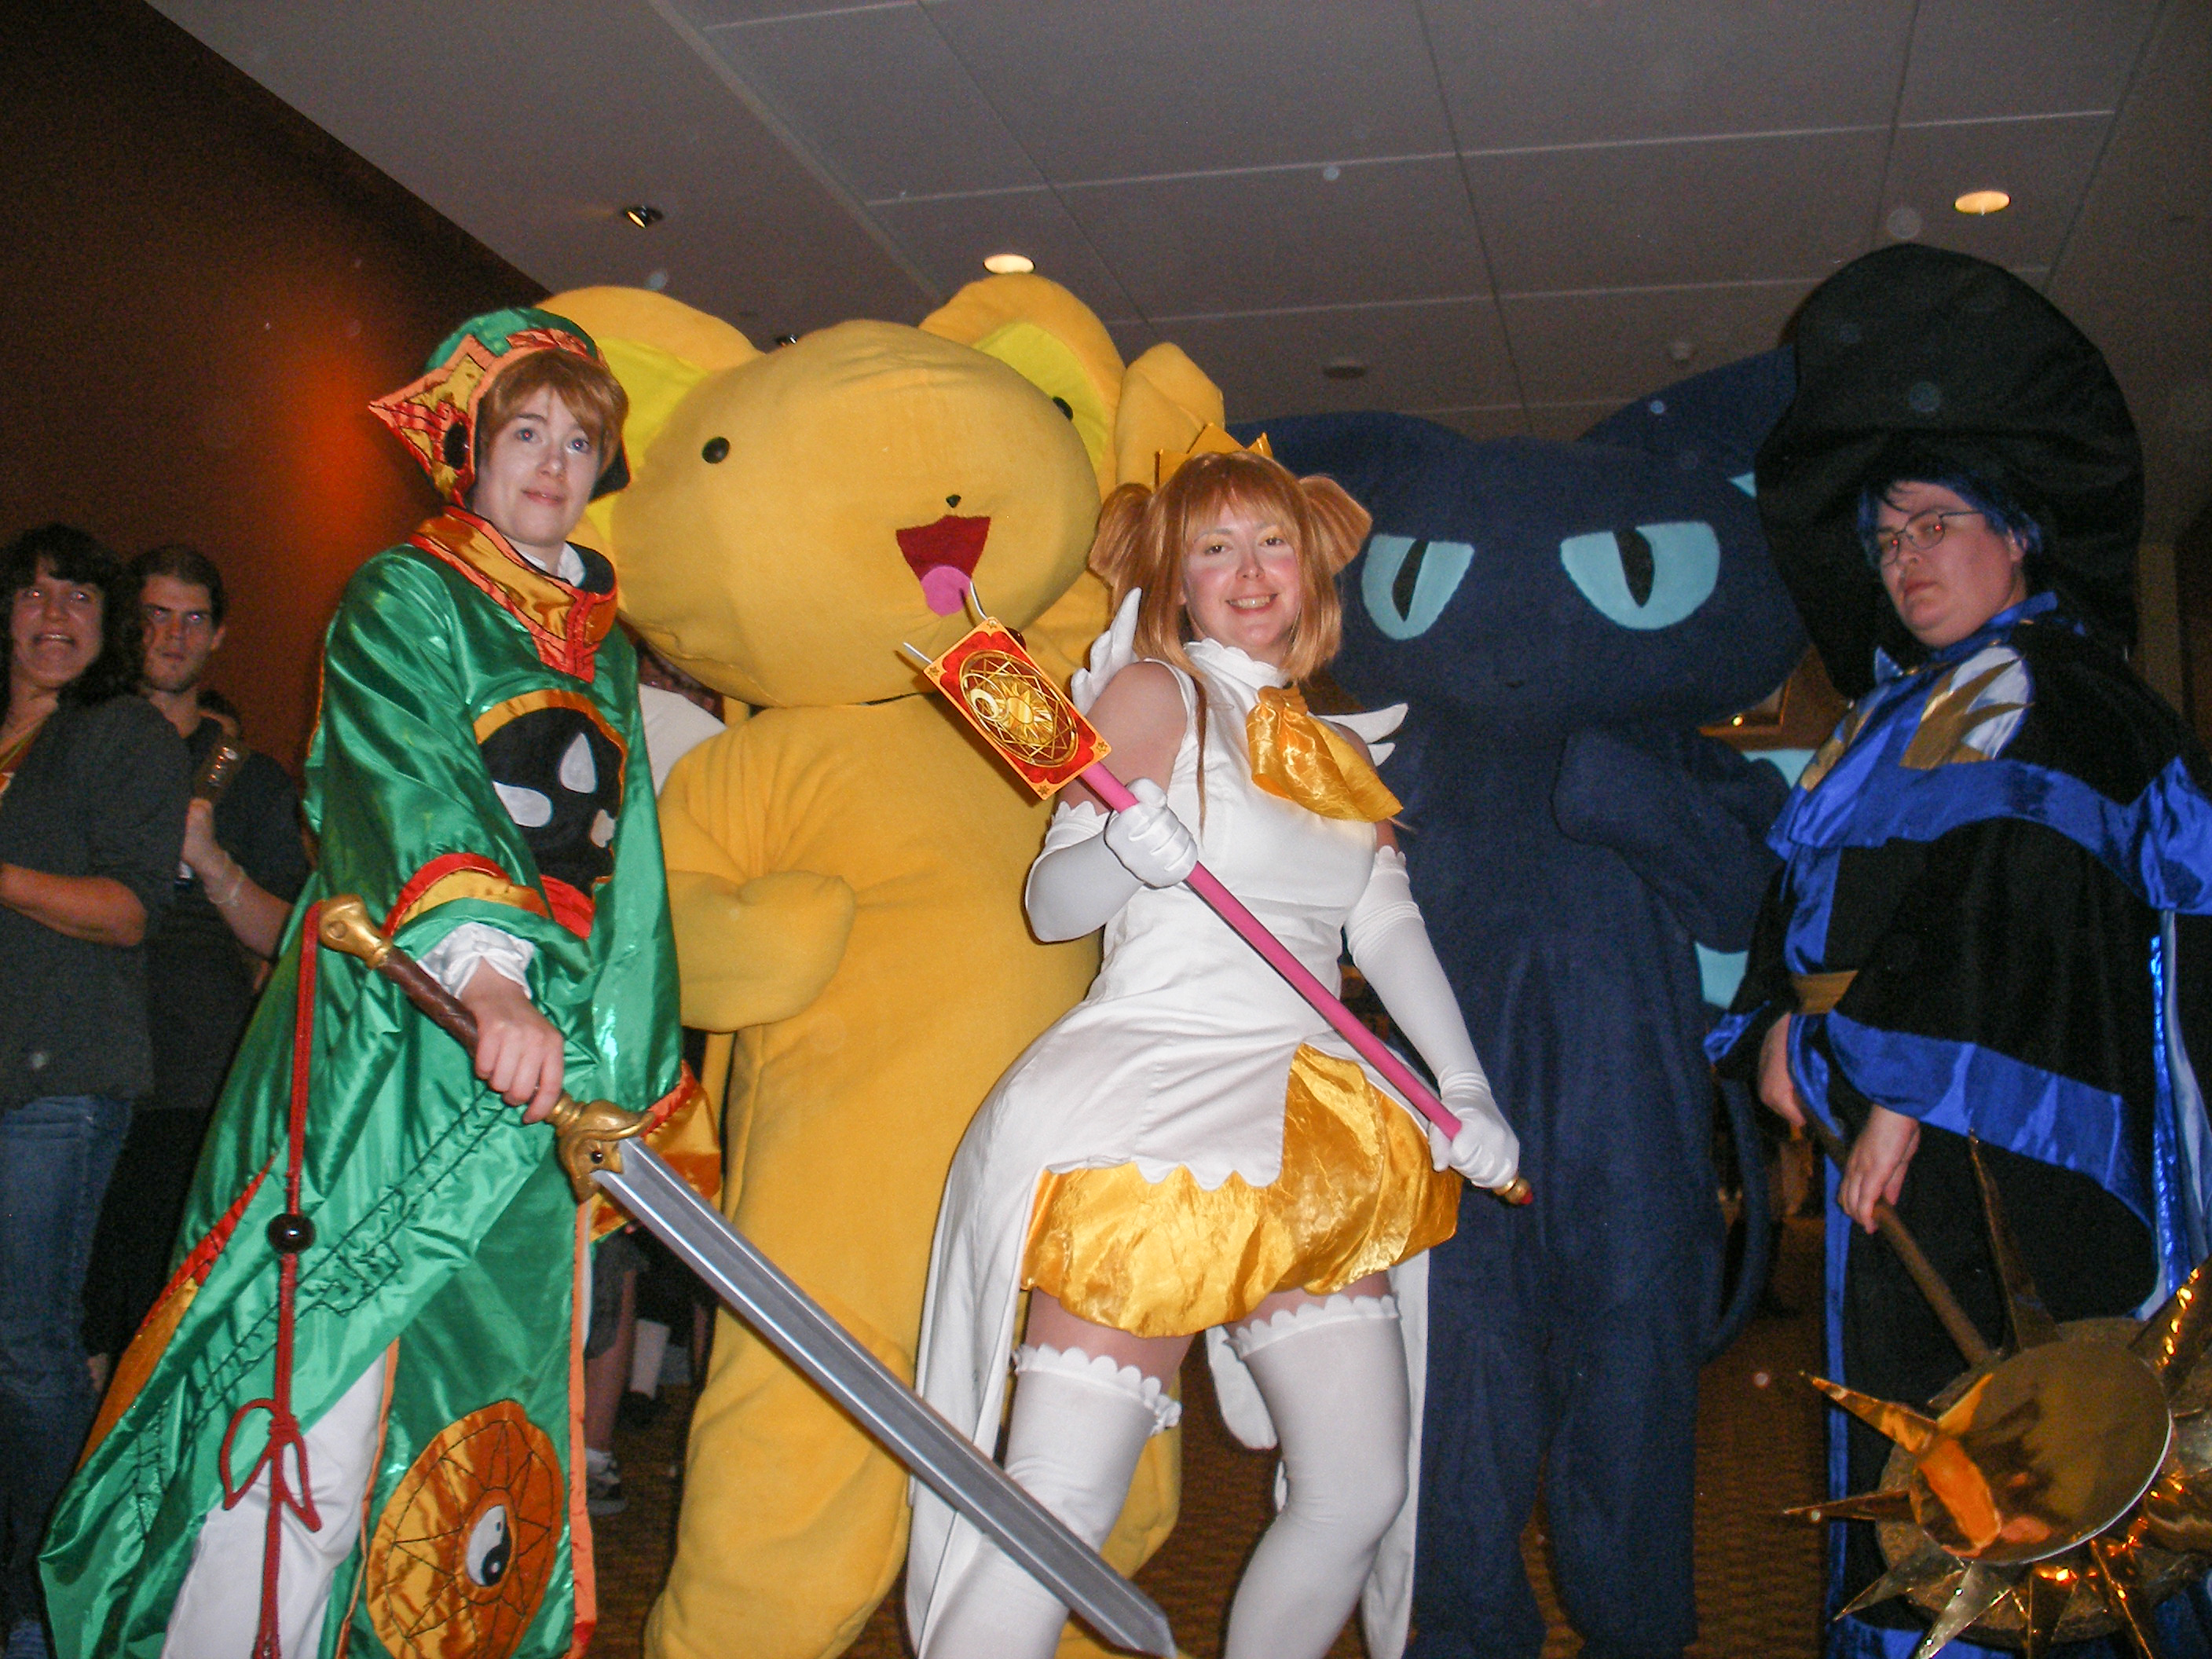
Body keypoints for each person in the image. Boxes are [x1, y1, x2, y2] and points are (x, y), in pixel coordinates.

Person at [42, 309, 715, 1659]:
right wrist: (490, 977)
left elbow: (630, 873)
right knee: (310, 1412)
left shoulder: (605, 642)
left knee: (473, 1406)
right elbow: (406, 784)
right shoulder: (407, 596)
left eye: (580, 441)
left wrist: (635, 1081)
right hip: (395, 1037)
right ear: (471, 451)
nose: (553, 463)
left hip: (528, 1075)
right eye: (526, 433)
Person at [906, 447, 1520, 1659]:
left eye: (1272, 542)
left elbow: (1386, 927)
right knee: (1061, 1500)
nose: (1249, 571)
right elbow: (1051, 909)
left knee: (1359, 1488)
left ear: (1312, 569)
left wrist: (1464, 1086)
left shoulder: (1338, 749)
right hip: (1155, 1108)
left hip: (1305, 1127)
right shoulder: (1152, 697)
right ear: (1176, 579)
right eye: (1214, 548)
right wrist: (1115, 855)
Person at [1708, 246, 2212, 1657]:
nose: (1906, 558)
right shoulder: (1895, 714)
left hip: (2013, 1149)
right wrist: (1775, 1028)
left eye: (1936, 523)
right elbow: (1804, 899)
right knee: (1922, 1432)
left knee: (2020, 1440)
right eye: (1886, 540)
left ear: (2019, 534)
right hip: (1897, 1123)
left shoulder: (2060, 693)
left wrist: (1905, 1084)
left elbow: (2017, 894)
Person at [0, 525, 190, 1659]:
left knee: (27, 1348)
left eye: (78, 597)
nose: (54, 615)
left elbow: (129, 911)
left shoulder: (123, 737)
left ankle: (54, 1598)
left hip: (59, 1082)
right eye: (33, 595)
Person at [81, 544, 311, 1380]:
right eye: (153, 615)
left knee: (150, 1318)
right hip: (71, 1065)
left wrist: (214, 867)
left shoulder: (249, 782)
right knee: (58, 1320)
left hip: (188, 1082)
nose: (172, 636)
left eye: (192, 619)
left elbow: (294, 936)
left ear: (218, 636)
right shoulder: (77, 748)